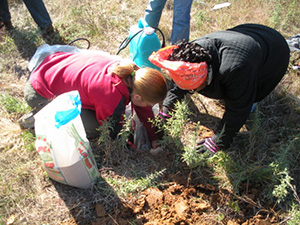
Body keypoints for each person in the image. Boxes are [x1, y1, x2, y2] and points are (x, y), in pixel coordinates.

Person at [149, 23, 290, 153]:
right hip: (248, 34)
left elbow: (238, 108)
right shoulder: (190, 53)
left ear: (206, 75)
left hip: (274, 53)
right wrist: (166, 110)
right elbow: (180, 82)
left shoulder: (236, 69)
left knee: (247, 100)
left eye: (194, 89)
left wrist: (218, 140)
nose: (192, 92)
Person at [19, 46, 168, 149]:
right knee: (96, 127)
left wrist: (153, 136)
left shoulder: (131, 71)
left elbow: (143, 109)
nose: (149, 107)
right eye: (149, 103)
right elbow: (110, 130)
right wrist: (130, 146)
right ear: (137, 96)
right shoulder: (110, 95)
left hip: (49, 66)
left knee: (94, 104)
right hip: (39, 91)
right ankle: (39, 118)